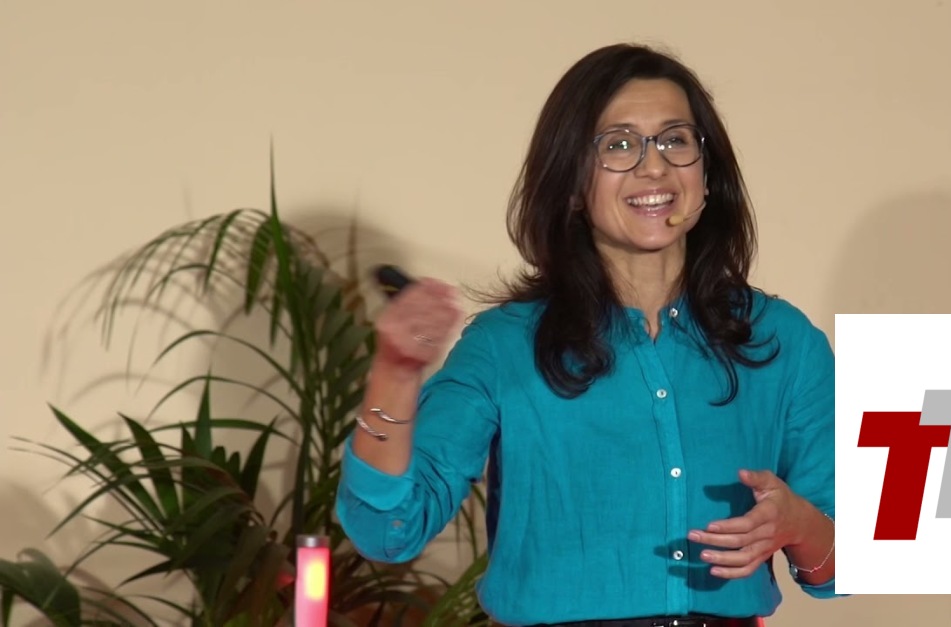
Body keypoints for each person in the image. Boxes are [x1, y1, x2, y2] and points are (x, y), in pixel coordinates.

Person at [336, 42, 839, 627]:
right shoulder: (503, 346)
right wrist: (395, 373)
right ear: (573, 184)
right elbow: (387, 530)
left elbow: (850, 566)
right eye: (619, 145)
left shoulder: (782, 340)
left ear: (707, 175)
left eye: (676, 140)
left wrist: (797, 523)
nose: (654, 167)